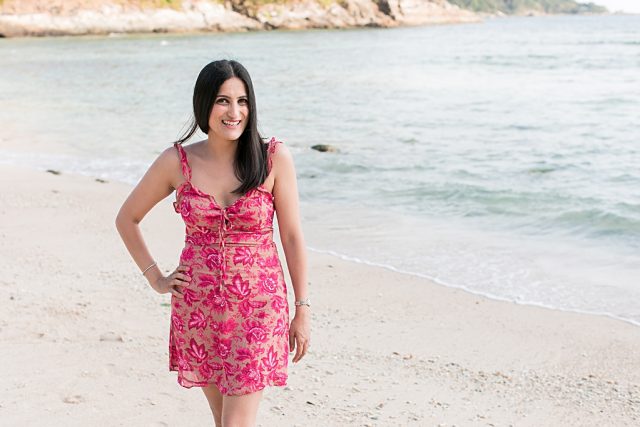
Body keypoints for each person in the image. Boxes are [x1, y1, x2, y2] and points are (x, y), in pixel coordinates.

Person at [115, 59, 310, 427]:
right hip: (198, 308)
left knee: (236, 423)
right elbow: (127, 218)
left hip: (259, 307)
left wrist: (303, 307)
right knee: (223, 421)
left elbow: (292, 236)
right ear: (204, 104)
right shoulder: (177, 162)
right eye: (223, 101)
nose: (234, 112)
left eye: (242, 100)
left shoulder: (273, 159)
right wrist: (156, 278)